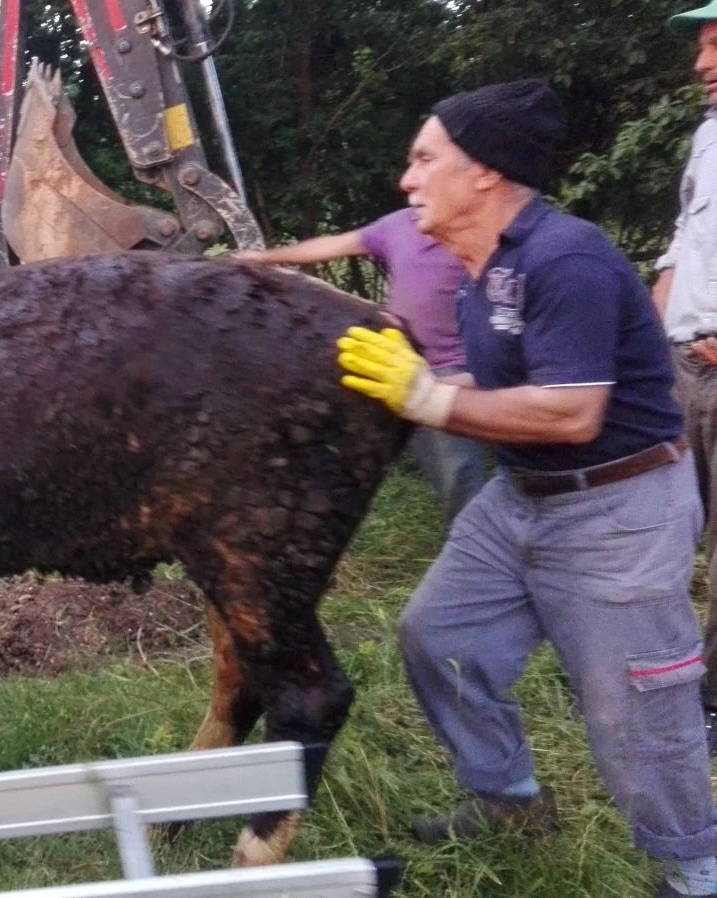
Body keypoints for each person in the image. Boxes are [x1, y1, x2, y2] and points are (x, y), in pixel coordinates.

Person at [336, 80, 717, 898]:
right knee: (440, 638)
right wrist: (421, 385)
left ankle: (693, 868)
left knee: (634, 713)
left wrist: (428, 398)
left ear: (483, 173)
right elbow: (514, 377)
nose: (407, 180)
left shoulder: (563, 257)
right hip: (523, 498)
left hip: (617, 505)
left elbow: (575, 410)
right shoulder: (485, 267)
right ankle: (509, 801)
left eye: (423, 158)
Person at [238, 208, 488, 523]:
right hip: (393, 366)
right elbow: (335, 245)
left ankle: (482, 548)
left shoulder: (477, 228)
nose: (411, 182)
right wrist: (266, 260)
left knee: (459, 478)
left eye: (426, 163)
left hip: (448, 373)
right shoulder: (399, 224)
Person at [656, 1, 717, 742]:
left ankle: (711, 703)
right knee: (664, 527)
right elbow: (685, 241)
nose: (702, 63)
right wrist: (645, 330)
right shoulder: (708, 136)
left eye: (716, 46)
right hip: (680, 366)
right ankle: (664, 678)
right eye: (701, 47)